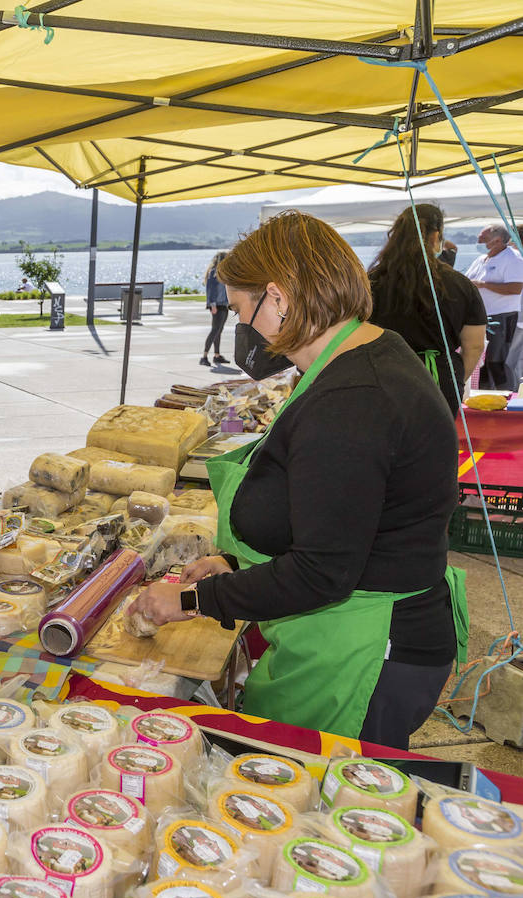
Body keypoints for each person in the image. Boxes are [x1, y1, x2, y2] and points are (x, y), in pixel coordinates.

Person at [132, 211, 466, 749]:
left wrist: (194, 601)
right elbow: (344, 515)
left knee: (330, 799)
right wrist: (238, 563)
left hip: (365, 645)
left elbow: (323, 572)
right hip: (354, 621)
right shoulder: (365, 356)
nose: (244, 328)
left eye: (243, 310)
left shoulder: (353, 400)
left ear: (279, 298)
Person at [368, 203, 486, 412]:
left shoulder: (372, 282)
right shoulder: (461, 284)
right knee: (435, 444)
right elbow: (474, 346)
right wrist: (455, 377)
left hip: (383, 377)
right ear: (435, 236)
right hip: (439, 381)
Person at [465, 223, 523, 389]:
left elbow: (515, 288)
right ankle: (483, 396)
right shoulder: (481, 259)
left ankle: (507, 398)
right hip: (481, 317)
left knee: (497, 361)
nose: (478, 242)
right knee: (481, 361)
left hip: (502, 317)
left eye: (482, 239)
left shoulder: (513, 259)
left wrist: (484, 285)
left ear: (497, 240)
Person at [201, 251, 231, 367]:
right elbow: (210, 290)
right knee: (215, 330)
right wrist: (212, 304)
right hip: (217, 305)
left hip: (223, 304)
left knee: (219, 330)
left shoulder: (222, 273)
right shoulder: (214, 273)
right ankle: (204, 356)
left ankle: (217, 355)